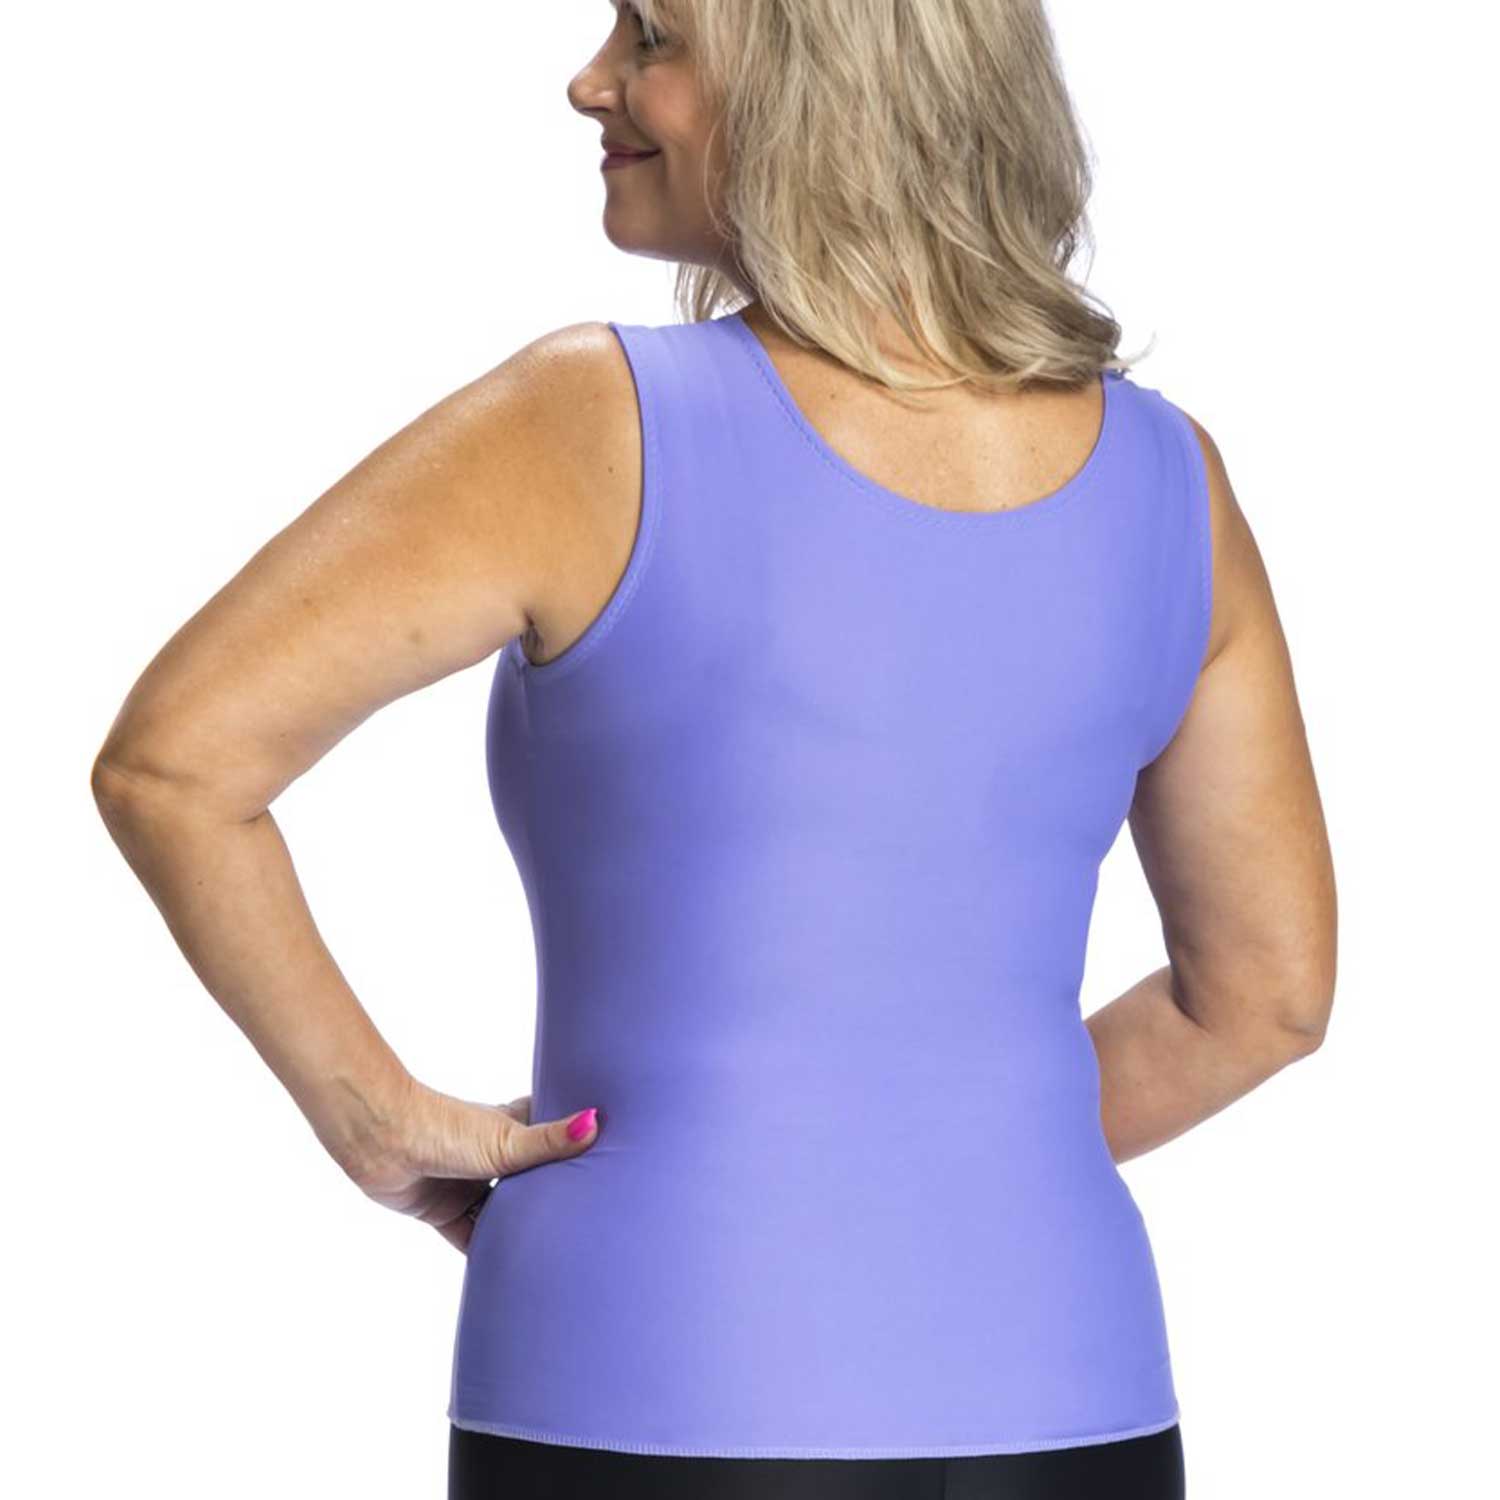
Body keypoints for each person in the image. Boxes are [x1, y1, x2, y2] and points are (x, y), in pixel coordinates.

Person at [91, 1, 1337, 1496]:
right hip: (1075, 1406)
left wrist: (377, 1123)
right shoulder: (1173, 480)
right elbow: (1261, 999)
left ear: (823, 77)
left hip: (648, 1378)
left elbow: (175, 764)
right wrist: (923, 1167)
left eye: (654, 36)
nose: (590, 81)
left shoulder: (597, 420)